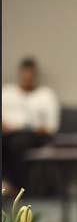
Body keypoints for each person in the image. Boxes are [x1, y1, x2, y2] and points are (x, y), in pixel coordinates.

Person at [2, 57, 59, 191]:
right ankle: (6, 185)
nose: (28, 77)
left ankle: (18, 188)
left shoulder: (46, 95)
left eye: (31, 74)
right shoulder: (7, 93)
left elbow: (50, 127)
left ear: (35, 75)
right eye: (25, 73)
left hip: (36, 136)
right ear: (20, 74)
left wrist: (22, 129)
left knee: (18, 143)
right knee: (10, 142)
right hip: (8, 134)